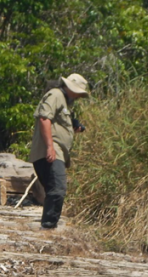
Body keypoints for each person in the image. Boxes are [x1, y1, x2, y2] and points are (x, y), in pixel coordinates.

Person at [28, 73, 89, 229]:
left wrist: (73, 125)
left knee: (55, 189)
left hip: (57, 152)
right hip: (50, 151)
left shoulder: (65, 102)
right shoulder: (55, 94)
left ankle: (48, 225)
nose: (78, 96)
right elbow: (44, 118)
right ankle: (48, 227)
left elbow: (57, 122)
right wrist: (50, 147)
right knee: (57, 189)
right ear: (70, 88)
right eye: (78, 92)